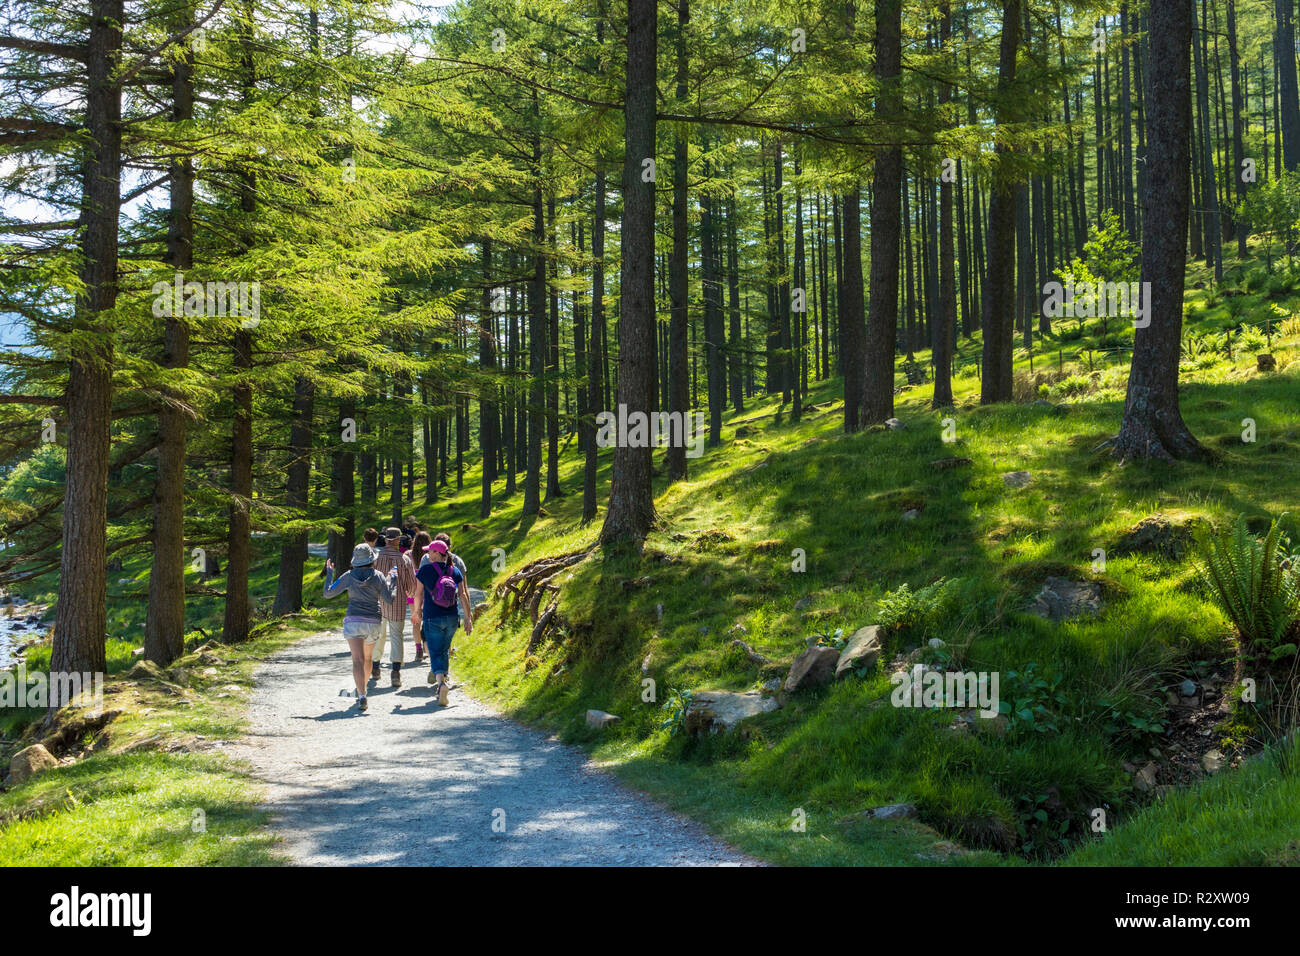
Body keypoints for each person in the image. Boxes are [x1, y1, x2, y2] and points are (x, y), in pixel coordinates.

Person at [323, 544, 399, 711]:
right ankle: (362, 690)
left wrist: (329, 573)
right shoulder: (378, 576)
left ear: (355, 561)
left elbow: (328, 593)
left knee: (357, 660)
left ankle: (362, 695)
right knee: (368, 658)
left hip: (353, 621)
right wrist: (392, 580)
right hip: (373, 621)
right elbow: (389, 600)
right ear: (372, 559)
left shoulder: (349, 576)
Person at [416, 539, 473, 706]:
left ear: (436, 553)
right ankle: (443, 678)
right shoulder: (454, 570)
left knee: (435, 651)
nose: (427, 554)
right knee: (443, 650)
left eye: (430, 551)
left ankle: (441, 684)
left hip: (432, 616)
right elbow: (463, 595)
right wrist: (468, 618)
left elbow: (418, 594)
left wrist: (416, 612)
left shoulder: (425, 570)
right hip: (451, 617)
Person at [371, 527, 418, 688]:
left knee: (379, 635)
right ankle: (395, 673)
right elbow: (411, 584)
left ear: (385, 539)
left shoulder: (376, 557)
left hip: (377, 602)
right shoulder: (403, 559)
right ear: (398, 540)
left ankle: (375, 667)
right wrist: (409, 593)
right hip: (397, 602)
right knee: (396, 636)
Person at [409, 530, 432, 663]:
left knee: (415, 621)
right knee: (428, 621)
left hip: (412, 591)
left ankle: (418, 650)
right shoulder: (431, 555)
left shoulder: (408, 555)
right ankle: (427, 647)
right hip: (427, 590)